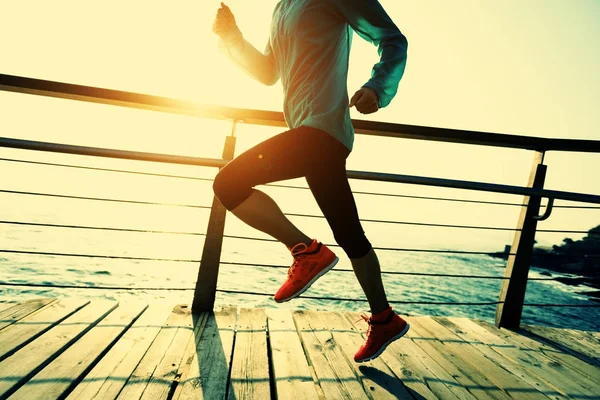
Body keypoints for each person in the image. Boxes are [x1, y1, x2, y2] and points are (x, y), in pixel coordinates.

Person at [212, 0, 409, 362]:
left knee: (228, 184)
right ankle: (385, 318)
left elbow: (393, 39)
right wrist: (233, 38)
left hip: (322, 130)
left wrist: (378, 88)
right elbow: (269, 71)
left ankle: (308, 252)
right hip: (309, 131)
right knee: (351, 235)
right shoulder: (281, 8)